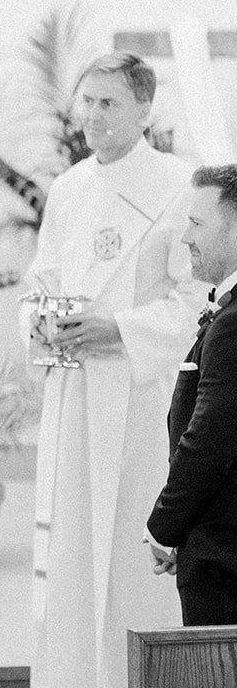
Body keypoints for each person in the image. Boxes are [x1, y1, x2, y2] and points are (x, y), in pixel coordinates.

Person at [19, 52, 201, 688]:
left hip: (140, 398)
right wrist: (46, 321)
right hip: (76, 393)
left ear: (144, 110)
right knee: (74, 553)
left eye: (108, 104)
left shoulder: (177, 186)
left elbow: (196, 298)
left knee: (129, 553)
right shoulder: (68, 188)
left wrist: (119, 330)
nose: (92, 116)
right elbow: (43, 277)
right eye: (86, 102)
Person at [146, 164, 237, 620]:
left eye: (197, 223)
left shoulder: (233, 324)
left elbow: (210, 439)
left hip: (223, 557)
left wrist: (165, 527)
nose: (185, 237)